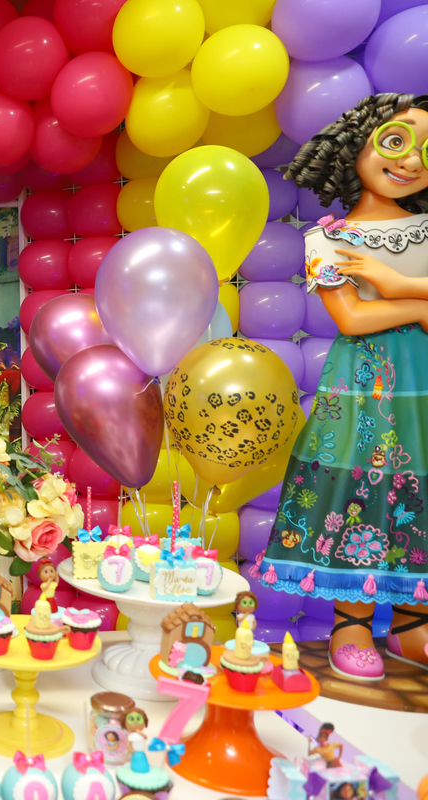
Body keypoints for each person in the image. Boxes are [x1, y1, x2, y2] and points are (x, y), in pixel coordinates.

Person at [261, 94, 428, 681]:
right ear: (355, 144)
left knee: (420, 494)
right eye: (395, 141)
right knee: (362, 490)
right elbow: (351, 321)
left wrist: (385, 279)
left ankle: (411, 624)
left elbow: (369, 305)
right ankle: (351, 621)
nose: (411, 160)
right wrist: (420, 298)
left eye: (426, 149)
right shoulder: (325, 238)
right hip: (365, 392)